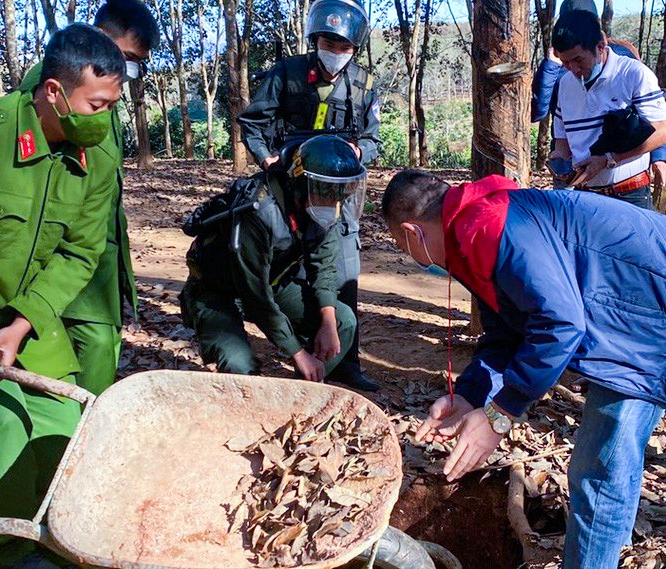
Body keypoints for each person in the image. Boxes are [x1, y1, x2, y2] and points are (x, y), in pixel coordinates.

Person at [381, 169, 666, 569]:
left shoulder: (488, 229)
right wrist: (471, 395)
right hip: (631, 316)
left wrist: (500, 415)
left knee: (598, 471)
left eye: (399, 243)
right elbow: (507, 331)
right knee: (606, 472)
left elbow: (560, 324)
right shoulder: (472, 226)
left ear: (412, 232)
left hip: (645, 324)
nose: (408, 253)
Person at [0, 24, 125, 566]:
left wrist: (20, 327)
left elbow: (78, 254)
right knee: (3, 436)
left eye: (114, 103)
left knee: (67, 437)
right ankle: (6, 554)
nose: (106, 116)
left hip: (30, 324)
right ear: (53, 92)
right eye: (97, 103)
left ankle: (63, 550)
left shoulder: (98, 161)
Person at [238, 0, 382, 391]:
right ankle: (301, 347)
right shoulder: (286, 74)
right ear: (315, 39)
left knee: (344, 272)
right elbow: (253, 121)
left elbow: (373, 139)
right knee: (297, 265)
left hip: (342, 186)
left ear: (355, 48)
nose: (334, 52)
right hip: (291, 180)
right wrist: (267, 158)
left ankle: (345, 363)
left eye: (343, 46)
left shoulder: (365, 84)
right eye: (327, 42)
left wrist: (357, 151)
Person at [19, 0, 160, 396]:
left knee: (100, 349)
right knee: (90, 349)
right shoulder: (55, 86)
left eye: (137, 62)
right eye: (126, 56)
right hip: (61, 252)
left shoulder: (103, 95)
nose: (130, 70)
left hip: (95, 251)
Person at [180, 136, 359, 383]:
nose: (334, 199)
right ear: (299, 182)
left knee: (343, 322)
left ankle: (301, 393)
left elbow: (324, 266)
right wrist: (297, 352)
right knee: (240, 366)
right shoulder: (259, 212)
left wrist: (328, 322)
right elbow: (256, 296)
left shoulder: (327, 207)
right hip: (216, 289)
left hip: (276, 281)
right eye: (325, 190)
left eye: (342, 190)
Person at [531, 0, 666, 191]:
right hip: (583, 194)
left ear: (601, 45)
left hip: (628, 192)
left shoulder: (633, 73)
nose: (573, 69)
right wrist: (559, 158)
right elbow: (562, 138)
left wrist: (609, 159)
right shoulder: (565, 84)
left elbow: (662, 130)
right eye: (566, 62)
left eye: (578, 60)